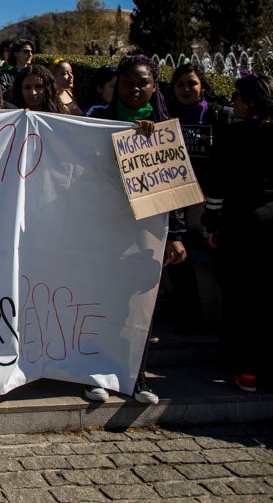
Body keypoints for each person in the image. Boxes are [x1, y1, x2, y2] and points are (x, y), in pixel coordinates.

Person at [87, 54, 188, 405]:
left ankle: (136, 377)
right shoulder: (99, 119)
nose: (134, 88)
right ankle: (96, 373)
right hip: (104, 226)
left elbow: (176, 187)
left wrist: (176, 235)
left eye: (142, 82)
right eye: (127, 82)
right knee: (103, 301)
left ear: (153, 86)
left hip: (148, 231)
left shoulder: (165, 127)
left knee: (141, 306)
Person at [203, 74, 273, 393]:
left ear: (250, 102)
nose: (232, 104)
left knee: (244, 297)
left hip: (247, 225)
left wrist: (212, 223)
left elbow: (218, 183)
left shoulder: (236, 134)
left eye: (237, 97)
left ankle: (247, 371)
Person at [163, 64, 234, 333]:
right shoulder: (167, 116)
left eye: (191, 83)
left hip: (211, 200)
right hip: (179, 198)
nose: (185, 89)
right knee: (179, 260)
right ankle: (189, 314)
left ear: (202, 85)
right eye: (180, 84)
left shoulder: (220, 115)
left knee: (213, 255)